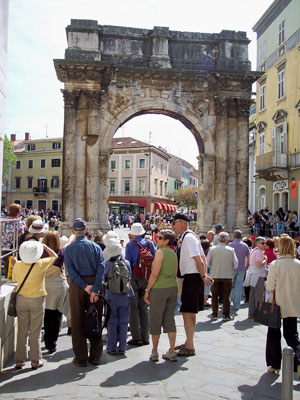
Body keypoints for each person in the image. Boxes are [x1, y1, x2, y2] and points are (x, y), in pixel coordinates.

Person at [64, 218, 105, 367]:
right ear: (86, 230)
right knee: (95, 319)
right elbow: (101, 268)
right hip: (95, 283)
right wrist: (94, 288)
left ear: (73, 232)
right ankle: (95, 356)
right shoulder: (96, 247)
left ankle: (81, 357)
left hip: (77, 286)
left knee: (77, 321)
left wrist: (84, 285)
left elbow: (71, 272)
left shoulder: (68, 249)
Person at [12, 240, 57, 370]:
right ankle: (35, 360)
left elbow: (14, 280)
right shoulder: (40, 264)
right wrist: (46, 247)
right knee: (35, 331)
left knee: (22, 330)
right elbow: (55, 257)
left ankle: (20, 360)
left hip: (22, 299)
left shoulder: (18, 265)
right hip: (37, 299)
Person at [172, 213, 210, 356]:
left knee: (187, 313)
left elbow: (199, 259)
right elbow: (203, 258)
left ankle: (190, 346)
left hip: (191, 277)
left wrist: (203, 275)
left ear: (182, 223)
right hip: (193, 277)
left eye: (174, 223)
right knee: (189, 313)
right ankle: (189, 341)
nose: (172, 226)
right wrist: (204, 274)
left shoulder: (188, 238)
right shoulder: (191, 237)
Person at [265, 235, 300, 378]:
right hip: (293, 303)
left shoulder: (275, 265)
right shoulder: (298, 264)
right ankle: (298, 362)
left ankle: (274, 365)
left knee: (274, 334)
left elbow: (270, 286)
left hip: (277, 304)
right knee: (292, 334)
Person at [144, 230, 178, 362]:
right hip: (172, 287)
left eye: (160, 238)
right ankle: (171, 350)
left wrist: (148, 290)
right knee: (170, 319)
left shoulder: (160, 252)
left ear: (166, 241)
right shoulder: (173, 253)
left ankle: (154, 351)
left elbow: (154, 274)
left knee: (155, 319)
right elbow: (175, 273)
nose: (157, 239)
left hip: (159, 288)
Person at [125, 223, 156, 346]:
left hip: (134, 278)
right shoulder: (150, 244)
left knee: (133, 308)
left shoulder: (130, 245)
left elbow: (128, 263)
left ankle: (136, 337)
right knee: (144, 308)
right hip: (147, 278)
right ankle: (146, 337)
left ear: (133, 233)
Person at [103, 238, 134, 355]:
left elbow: (103, 279)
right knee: (124, 321)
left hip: (111, 296)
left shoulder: (107, 265)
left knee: (112, 321)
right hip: (126, 295)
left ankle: (111, 347)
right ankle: (122, 346)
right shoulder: (126, 263)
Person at [42, 231, 69, 353]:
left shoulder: (40, 253)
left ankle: (47, 340)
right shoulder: (62, 252)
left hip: (45, 284)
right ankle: (53, 342)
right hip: (59, 285)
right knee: (58, 314)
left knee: (47, 314)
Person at [207, 232, 238, 321]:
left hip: (215, 275)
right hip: (227, 276)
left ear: (219, 239)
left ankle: (214, 314)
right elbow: (236, 264)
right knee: (226, 296)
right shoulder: (231, 250)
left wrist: (214, 266)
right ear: (227, 240)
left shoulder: (212, 249)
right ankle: (226, 315)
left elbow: (208, 263)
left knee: (214, 296)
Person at [243, 237, 267, 319]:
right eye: (262, 243)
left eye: (264, 243)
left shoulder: (254, 250)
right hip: (258, 275)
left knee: (252, 295)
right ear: (257, 244)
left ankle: (252, 313)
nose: (264, 244)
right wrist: (265, 259)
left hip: (253, 274)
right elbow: (259, 264)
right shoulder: (259, 252)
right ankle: (258, 314)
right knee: (258, 295)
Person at [228, 230, 250, 311]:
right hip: (241, 268)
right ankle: (236, 305)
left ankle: (228, 302)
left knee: (229, 286)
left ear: (234, 236)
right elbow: (248, 257)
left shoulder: (230, 245)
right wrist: (247, 266)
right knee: (239, 286)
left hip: (232, 268)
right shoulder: (245, 245)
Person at [1, 203, 25, 276]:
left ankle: (8, 276)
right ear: (17, 212)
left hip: (3, 245)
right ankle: (12, 277)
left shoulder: (3, 220)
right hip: (13, 244)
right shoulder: (17, 222)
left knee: (6, 263)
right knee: (13, 263)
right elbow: (21, 232)